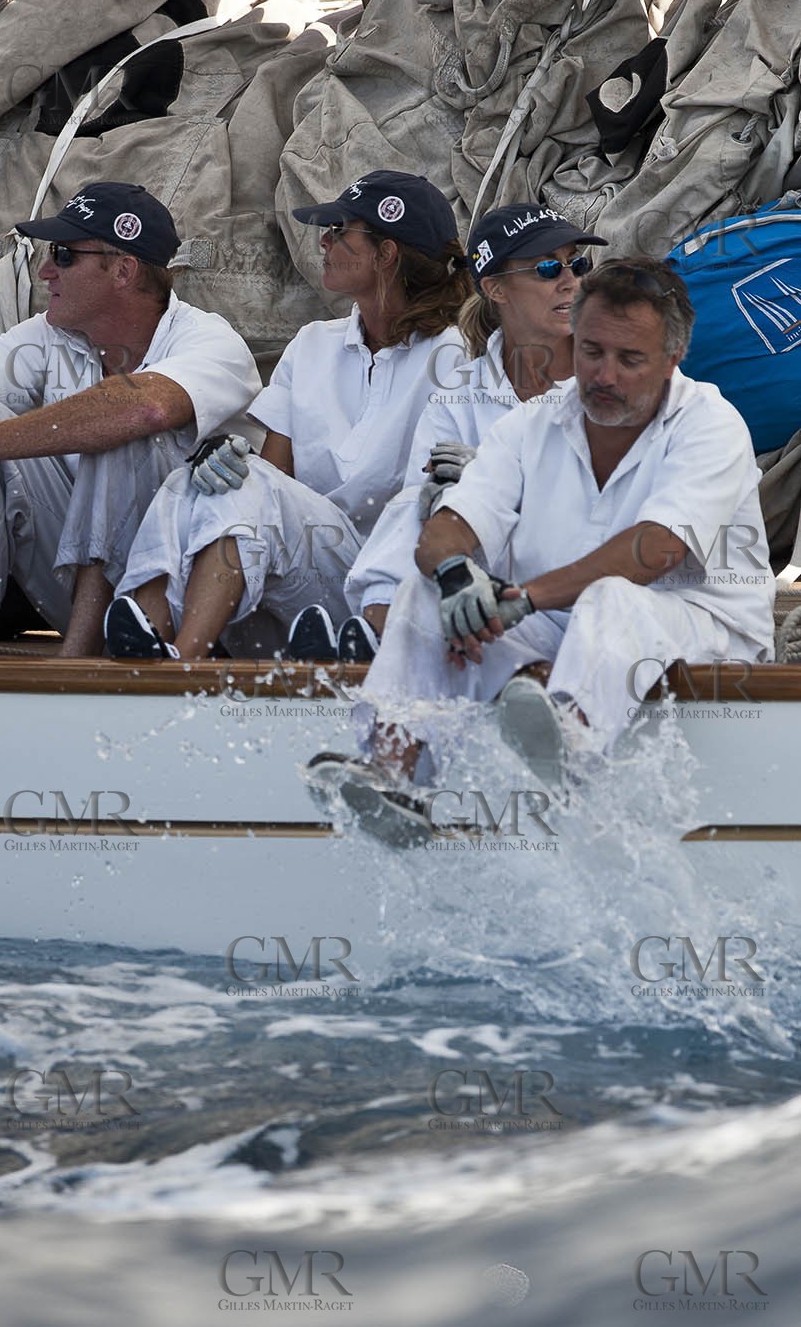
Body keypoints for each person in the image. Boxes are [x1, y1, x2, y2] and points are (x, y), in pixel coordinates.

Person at [309, 257, 775, 835]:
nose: (605, 375)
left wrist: (522, 598)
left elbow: (656, 551)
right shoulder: (532, 424)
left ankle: (569, 739)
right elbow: (450, 524)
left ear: (673, 359)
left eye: (630, 360)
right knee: (423, 595)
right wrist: (458, 576)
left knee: (612, 598)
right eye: (592, 351)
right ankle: (389, 776)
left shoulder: (712, 424)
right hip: (562, 623)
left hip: (710, 634)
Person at [103, 170, 473, 662]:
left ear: (386, 255)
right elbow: (272, 478)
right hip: (308, 579)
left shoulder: (453, 357)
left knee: (243, 480)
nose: (324, 240)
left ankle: (179, 665)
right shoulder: (313, 343)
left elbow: (428, 506)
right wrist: (224, 469)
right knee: (206, 475)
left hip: (389, 589)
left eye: (340, 230)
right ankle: (150, 640)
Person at [0, 182, 260, 655]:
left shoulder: (210, 340)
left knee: (121, 427)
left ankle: (76, 662)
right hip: (78, 578)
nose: (45, 271)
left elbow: (146, 406)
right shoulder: (56, 332)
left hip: (200, 597)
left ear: (124, 270)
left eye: (64, 255)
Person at [341, 203, 606, 651]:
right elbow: (423, 504)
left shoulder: (615, 377)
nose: (569, 281)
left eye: (577, 264)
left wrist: (492, 479)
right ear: (495, 289)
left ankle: (385, 653)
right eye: (546, 268)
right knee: (414, 506)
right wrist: (452, 492)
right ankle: (379, 639)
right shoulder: (459, 394)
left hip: (589, 591)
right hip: (486, 589)